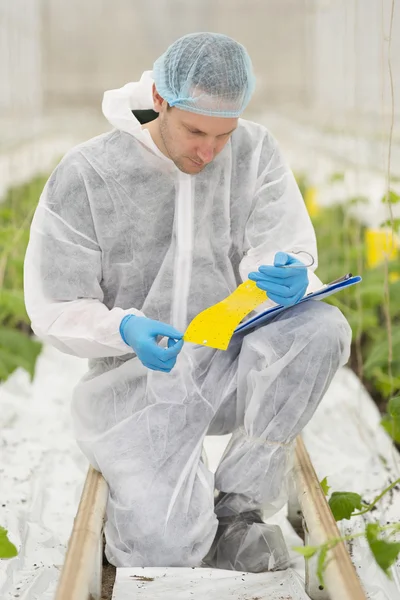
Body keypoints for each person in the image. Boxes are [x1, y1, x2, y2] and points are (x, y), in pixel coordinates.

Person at [24, 32, 352, 572]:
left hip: (230, 364)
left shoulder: (253, 150)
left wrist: (288, 273)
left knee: (319, 328)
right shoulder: (87, 175)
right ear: (159, 100)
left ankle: (238, 508)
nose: (209, 150)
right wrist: (123, 330)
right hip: (139, 385)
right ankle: (168, 493)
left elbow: (280, 241)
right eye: (195, 130)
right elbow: (55, 306)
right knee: (163, 550)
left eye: (223, 135)